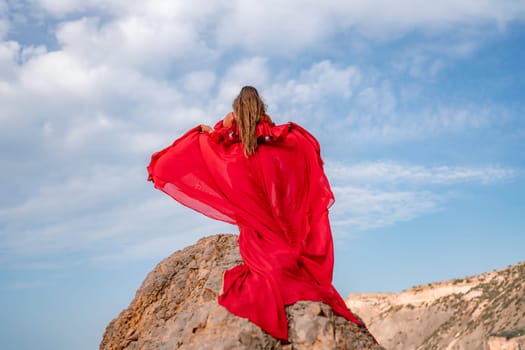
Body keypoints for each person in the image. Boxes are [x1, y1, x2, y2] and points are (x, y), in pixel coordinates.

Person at [147, 86, 365, 341]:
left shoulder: (231, 120)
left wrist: (205, 132)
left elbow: (218, 137)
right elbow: (284, 142)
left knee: (254, 221)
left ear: (237, 105)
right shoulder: (267, 123)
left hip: (241, 175)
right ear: (259, 104)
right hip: (263, 175)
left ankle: (262, 233)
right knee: (272, 215)